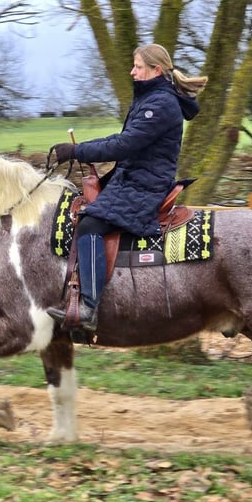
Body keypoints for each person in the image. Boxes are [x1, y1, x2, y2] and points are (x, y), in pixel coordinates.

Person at [47, 43, 208, 332]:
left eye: (138, 66)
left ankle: (87, 307)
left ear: (156, 70)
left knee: (89, 225)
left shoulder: (160, 104)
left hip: (145, 184)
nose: (132, 71)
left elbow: (126, 144)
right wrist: (79, 149)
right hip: (132, 178)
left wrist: (78, 152)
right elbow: (122, 139)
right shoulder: (151, 99)